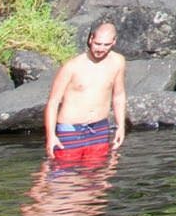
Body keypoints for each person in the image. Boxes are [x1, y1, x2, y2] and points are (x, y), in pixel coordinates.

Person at [42, 20, 126, 171]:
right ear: (90, 39)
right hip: (70, 128)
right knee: (61, 174)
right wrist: (51, 136)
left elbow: (118, 95)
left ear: (114, 42)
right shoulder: (72, 66)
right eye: (98, 43)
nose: (101, 49)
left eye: (106, 45)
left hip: (99, 128)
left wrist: (121, 126)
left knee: (96, 177)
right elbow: (53, 102)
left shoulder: (118, 61)